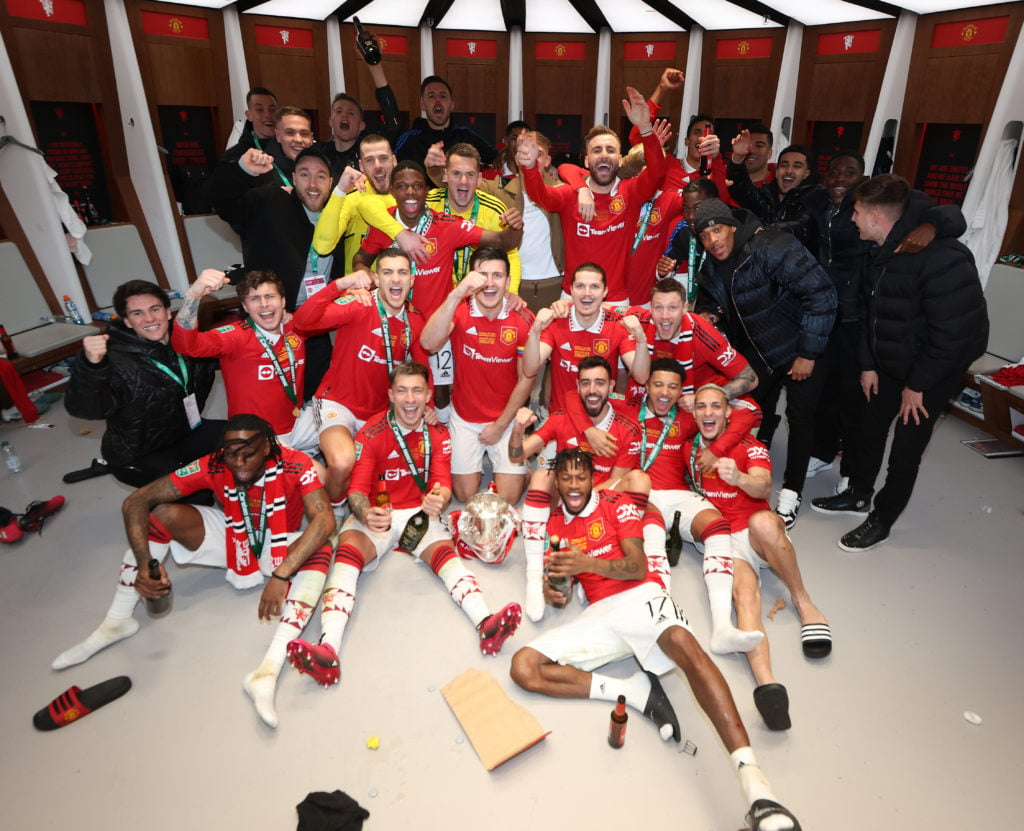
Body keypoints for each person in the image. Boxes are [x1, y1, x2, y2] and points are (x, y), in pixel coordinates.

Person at [509, 448, 802, 831]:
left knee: (683, 643)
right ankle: (633, 691)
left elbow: (637, 566)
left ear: (593, 478)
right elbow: (562, 588)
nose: (575, 485)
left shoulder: (617, 504)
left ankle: (758, 788)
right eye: (567, 478)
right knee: (524, 667)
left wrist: (588, 564)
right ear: (558, 483)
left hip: (640, 596)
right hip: (599, 614)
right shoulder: (556, 527)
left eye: (582, 477)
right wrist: (555, 591)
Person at [51, 414, 337, 730]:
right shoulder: (213, 464)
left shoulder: (296, 464)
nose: (238, 462)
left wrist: (282, 574)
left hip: (278, 544)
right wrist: (145, 564)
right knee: (161, 515)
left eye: (248, 453)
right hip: (234, 536)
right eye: (231, 453)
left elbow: (324, 521)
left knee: (322, 547)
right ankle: (117, 621)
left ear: (268, 447)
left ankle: (267, 670)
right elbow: (136, 501)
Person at [284, 362, 523, 687]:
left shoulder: (438, 433)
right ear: (391, 395)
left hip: (417, 514)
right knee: (346, 555)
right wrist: (366, 512)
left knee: (446, 557)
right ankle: (329, 649)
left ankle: (487, 623)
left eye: (417, 391)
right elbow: (356, 491)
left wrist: (438, 498)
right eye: (402, 390)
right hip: (378, 514)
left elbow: (442, 482)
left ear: (427, 395)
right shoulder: (370, 433)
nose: (410, 399)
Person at [810, 174, 988, 551]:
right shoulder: (879, 247)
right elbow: (873, 313)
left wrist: (918, 384)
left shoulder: (942, 258)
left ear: (876, 217)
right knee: (868, 426)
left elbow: (956, 336)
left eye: (856, 212)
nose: (852, 219)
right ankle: (858, 494)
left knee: (906, 447)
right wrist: (869, 362)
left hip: (934, 369)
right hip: (891, 356)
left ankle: (883, 517)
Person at [685, 385, 831, 730]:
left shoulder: (750, 446)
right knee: (745, 597)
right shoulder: (689, 450)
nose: (708, 413)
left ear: (727, 414)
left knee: (766, 522)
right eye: (702, 407)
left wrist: (738, 477)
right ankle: (768, 687)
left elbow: (764, 487)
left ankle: (804, 601)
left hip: (753, 535)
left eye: (715, 407)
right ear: (694, 414)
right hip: (722, 540)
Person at [693, 198, 837, 530]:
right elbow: (715, 298)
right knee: (750, 408)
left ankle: (792, 490)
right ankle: (754, 469)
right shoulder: (712, 263)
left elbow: (822, 293)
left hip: (801, 344)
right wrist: (709, 314)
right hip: (760, 349)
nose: (713, 240)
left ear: (732, 226)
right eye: (704, 235)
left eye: (718, 230)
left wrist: (808, 353)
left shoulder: (771, 244)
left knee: (800, 419)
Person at [353, 161, 522, 418]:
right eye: (402, 186)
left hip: (436, 327)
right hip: (393, 324)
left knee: (439, 394)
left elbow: (502, 241)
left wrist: (515, 228)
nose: (410, 193)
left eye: (417, 186)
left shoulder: (446, 224)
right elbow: (360, 260)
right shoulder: (384, 224)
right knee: (391, 389)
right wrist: (366, 276)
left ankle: (441, 441)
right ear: (393, 190)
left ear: (426, 191)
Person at [633, 359, 763, 654]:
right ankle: (660, 619)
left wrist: (715, 449)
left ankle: (722, 628)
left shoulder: (689, 417)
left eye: (672, 387)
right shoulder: (629, 412)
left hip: (680, 495)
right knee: (652, 535)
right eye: (657, 385)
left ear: (682, 393)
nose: (664, 393)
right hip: (646, 494)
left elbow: (747, 415)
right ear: (647, 387)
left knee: (718, 527)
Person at [509, 355, 648, 622]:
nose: (592, 390)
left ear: (610, 387)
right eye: (586, 383)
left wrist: (583, 499)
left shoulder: (627, 429)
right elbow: (517, 455)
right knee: (540, 478)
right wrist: (517, 429)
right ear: (578, 386)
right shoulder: (562, 417)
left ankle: (597, 562)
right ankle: (535, 577)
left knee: (639, 480)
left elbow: (616, 485)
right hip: (564, 500)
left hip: (600, 503)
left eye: (599, 383)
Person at [291, 248, 429, 515]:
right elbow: (302, 322)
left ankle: (322, 466)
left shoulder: (414, 320)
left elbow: (421, 370)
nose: (396, 280)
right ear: (376, 278)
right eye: (387, 273)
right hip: (338, 404)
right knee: (343, 462)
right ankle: (334, 513)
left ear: (412, 279)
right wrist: (340, 285)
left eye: (402, 272)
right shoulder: (359, 303)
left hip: (379, 414)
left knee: (394, 480)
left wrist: (429, 404)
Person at [209, 145, 351, 399]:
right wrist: (242, 171)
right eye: (305, 174)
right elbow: (223, 202)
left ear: (331, 182)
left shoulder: (340, 212)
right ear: (294, 178)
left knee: (317, 395)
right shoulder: (271, 202)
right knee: (270, 398)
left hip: (315, 324)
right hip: (271, 321)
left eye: (321, 176)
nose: (313, 184)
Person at [64, 280, 222, 488]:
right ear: (128, 322)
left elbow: (237, 350)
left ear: (167, 312)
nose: (149, 319)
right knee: (196, 493)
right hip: (139, 454)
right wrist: (90, 366)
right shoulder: (114, 359)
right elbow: (87, 409)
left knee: (248, 437)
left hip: (186, 432)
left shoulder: (187, 342)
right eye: (137, 313)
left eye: (154, 309)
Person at [517, 86, 666, 304]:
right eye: (597, 150)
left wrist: (645, 128)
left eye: (610, 150)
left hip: (615, 300)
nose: (604, 155)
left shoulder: (631, 193)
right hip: (572, 298)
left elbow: (657, 172)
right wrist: (530, 169)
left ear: (621, 160)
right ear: (587, 161)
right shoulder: (570, 195)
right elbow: (541, 196)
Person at [420, 247, 534, 504]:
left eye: (498, 275)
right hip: (465, 418)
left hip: (505, 419)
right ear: (471, 278)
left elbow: (527, 379)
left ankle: (519, 467)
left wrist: (501, 425)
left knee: (509, 498)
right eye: (483, 275)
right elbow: (427, 342)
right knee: (464, 495)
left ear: (508, 280)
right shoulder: (460, 309)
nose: (490, 283)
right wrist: (457, 293)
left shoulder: (523, 318)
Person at [172, 269, 318, 450]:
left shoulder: (296, 326)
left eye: (270, 296)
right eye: (254, 299)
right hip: (256, 437)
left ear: (283, 301)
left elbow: (337, 313)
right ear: (245, 307)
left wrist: (347, 288)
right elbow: (185, 345)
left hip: (298, 425)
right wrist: (193, 296)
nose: (264, 304)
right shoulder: (235, 336)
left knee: (343, 429)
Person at [521, 262, 649, 412]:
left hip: (599, 417)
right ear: (571, 290)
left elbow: (641, 377)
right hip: (562, 418)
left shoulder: (618, 324)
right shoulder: (556, 320)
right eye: (580, 286)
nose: (587, 293)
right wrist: (535, 331)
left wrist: (641, 340)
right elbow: (529, 369)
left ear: (605, 292)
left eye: (594, 287)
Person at [482, 130, 566, 314]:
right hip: (514, 285)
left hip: (556, 282)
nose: (532, 157)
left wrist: (582, 188)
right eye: (525, 152)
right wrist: (437, 170)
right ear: (518, 157)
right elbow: (462, 184)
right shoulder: (500, 187)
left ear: (548, 160)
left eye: (538, 153)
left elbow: (590, 178)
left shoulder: (563, 190)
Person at [312, 133, 400, 274]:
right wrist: (340, 190)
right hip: (360, 292)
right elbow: (322, 247)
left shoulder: (409, 199)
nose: (377, 166)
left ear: (394, 161)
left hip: (401, 291)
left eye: (383, 158)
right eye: (370, 160)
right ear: (361, 166)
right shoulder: (352, 199)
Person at [394, 76, 497, 167]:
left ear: (452, 105)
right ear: (422, 105)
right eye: (431, 96)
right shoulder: (409, 139)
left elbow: (496, 158)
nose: (437, 100)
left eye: (443, 96)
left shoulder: (465, 135)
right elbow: (392, 169)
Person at [224, 87, 278, 155]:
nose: (267, 115)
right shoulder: (236, 155)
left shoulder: (288, 146)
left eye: (272, 110)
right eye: (260, 109)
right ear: (249, 115)